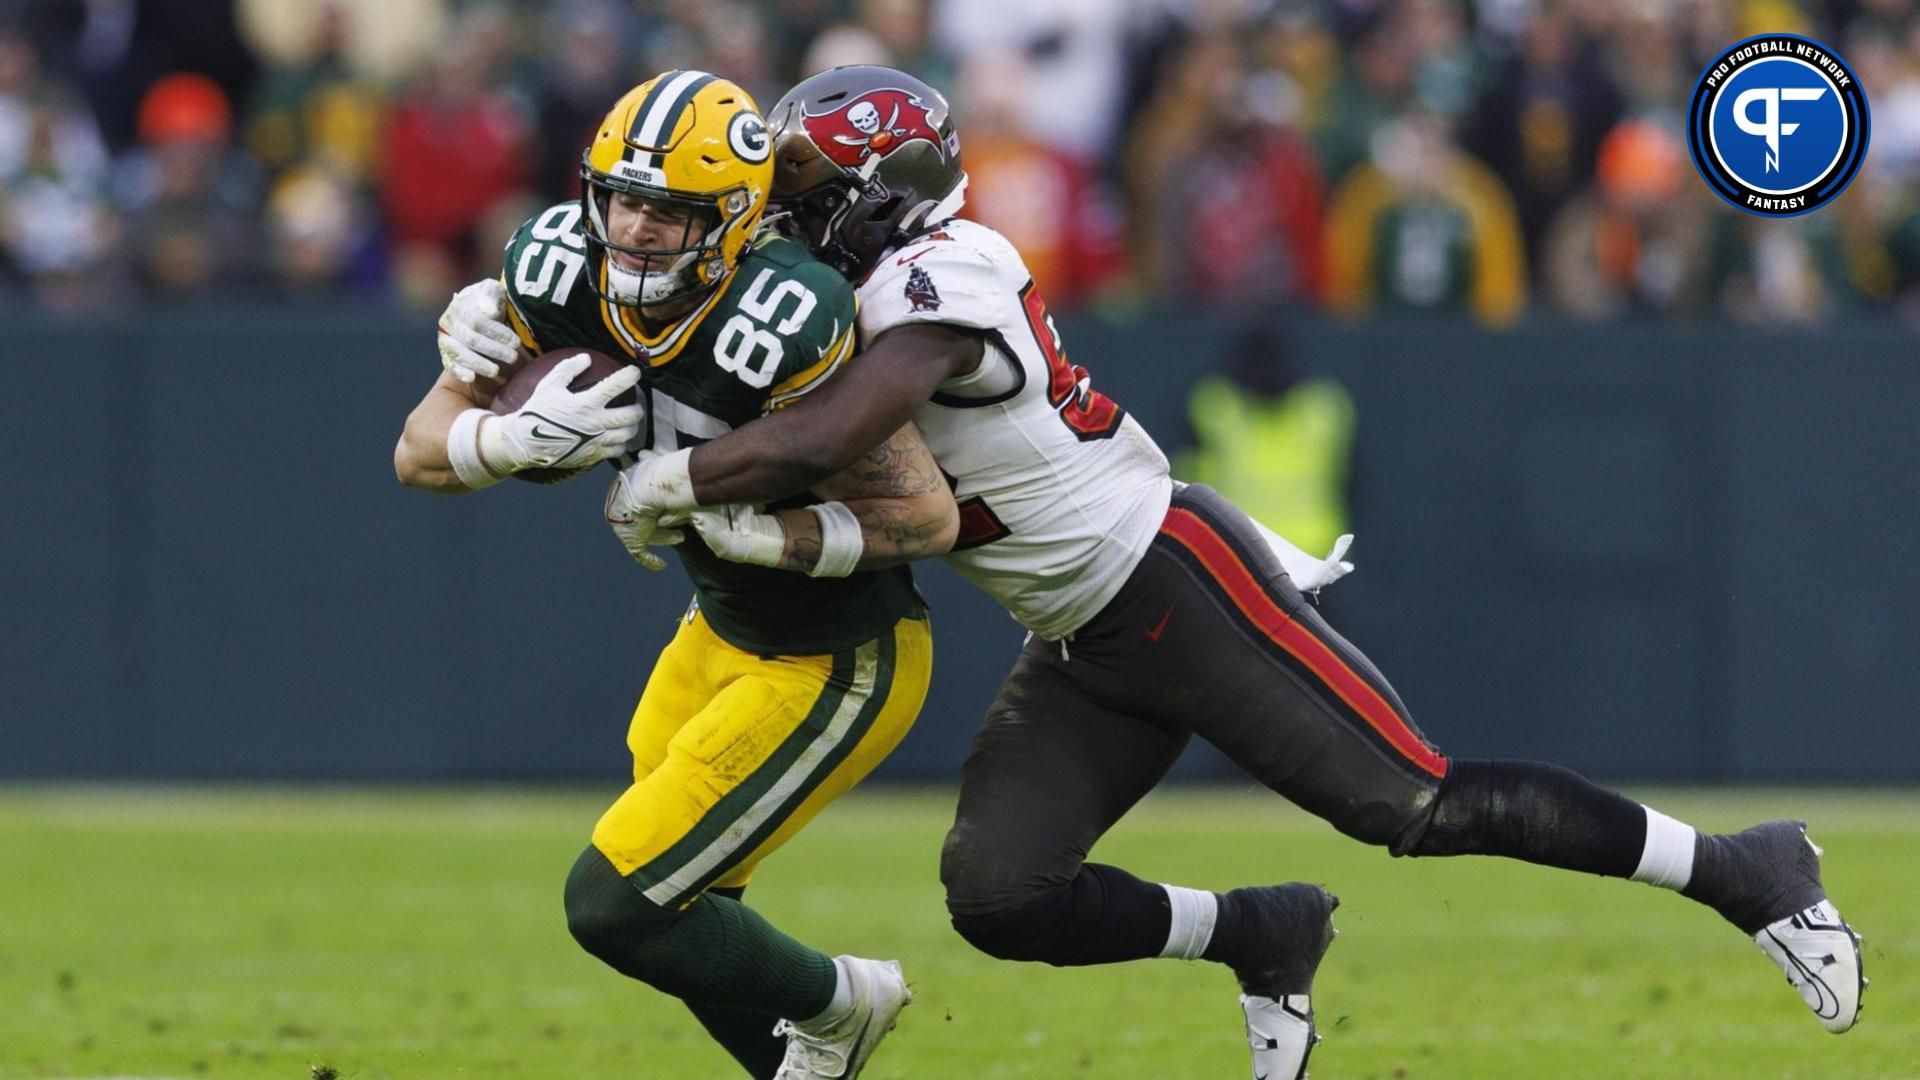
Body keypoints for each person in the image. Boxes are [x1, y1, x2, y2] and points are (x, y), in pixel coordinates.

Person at [397, 71, 959, 1080]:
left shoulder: (784, 313)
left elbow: (923, 513)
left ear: (736, 216)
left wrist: (766, 537)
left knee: (616, 900)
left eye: (671, 209)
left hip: (838, 660)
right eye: (622, 196)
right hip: (718, 635)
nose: (638, 225)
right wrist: (504, 436)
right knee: (687, 908)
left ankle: (844, 1002)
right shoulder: (553, 269)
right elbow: (418, 451)